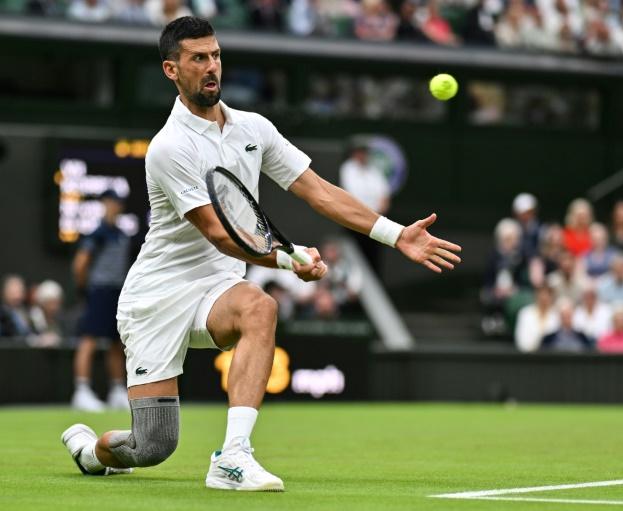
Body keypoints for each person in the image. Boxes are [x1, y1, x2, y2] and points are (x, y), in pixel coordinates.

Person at [61, 17, 461, 490]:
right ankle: (91, 451)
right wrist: (290, 260)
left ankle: (232, 456)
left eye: (215, 55)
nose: (212, 67)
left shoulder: (254, 128)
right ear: (171, 69)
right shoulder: (168, 147)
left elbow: (320, 192)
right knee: (153, 446)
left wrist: (397, 236)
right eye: (197, 58)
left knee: (259, 306)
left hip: (217, 291)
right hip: (156, 298)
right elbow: (220, 233)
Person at [70, 190, 133, 412]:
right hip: (99, 292)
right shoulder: (97, 233)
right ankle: (81, 391)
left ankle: (117, 390)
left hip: (118, 293)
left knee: (117, 343)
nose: (114, 206)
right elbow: (80, 264)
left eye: (117, 203)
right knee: (89, 339)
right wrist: (85, 289)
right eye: (110, 202)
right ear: (104, 204)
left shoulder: (122, 234)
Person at [339, 144, 391, 272]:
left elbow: (384, 196)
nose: (362, 155)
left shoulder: (374, 171)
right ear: (354, 154)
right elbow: (350, 194)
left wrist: (378, 216)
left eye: (365, 152)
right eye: (360, 152)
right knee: (357, 255)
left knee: (373, 258)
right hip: (355, 222)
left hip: (375, 223)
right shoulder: (348, 169)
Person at [515, 285, 559, 353]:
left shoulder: (557, 316)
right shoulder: (525, 313)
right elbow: (521, 341)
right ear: (536, 296)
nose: (544, 299)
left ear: (551, 298)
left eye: (547, 296)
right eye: (541, 296)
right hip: (528, 356)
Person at [0, 274, 33, 339]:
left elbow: (31, 332)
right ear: (3, 292)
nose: (17, 296)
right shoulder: (2, 314)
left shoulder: (26, 312)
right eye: (13, 292)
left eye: (19, 291)